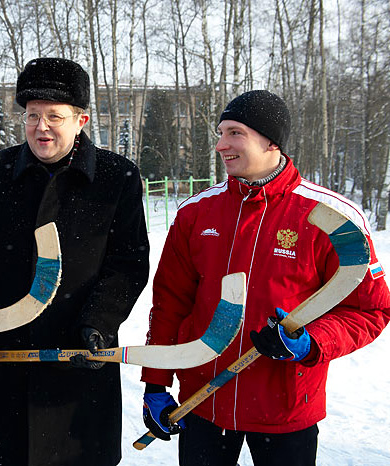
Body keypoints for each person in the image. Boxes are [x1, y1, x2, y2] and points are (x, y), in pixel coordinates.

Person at [140, 90, 390, 466]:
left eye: (235, 133)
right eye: (220, 133)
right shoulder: (196, 213)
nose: (222, 144)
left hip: (286, 410)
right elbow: (170, 305)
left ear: (271, 140)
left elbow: (370, 310)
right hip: (204, 400)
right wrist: (156, 382)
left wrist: (311, 343)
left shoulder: (332, 217)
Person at [0, 57, 150, 466]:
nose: (41, 127)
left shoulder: (116, 177)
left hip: (78, 360)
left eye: (54, 116)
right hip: (4, 359)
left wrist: (98, 323)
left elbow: (128, 263)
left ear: (81, 119)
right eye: (32, 115)